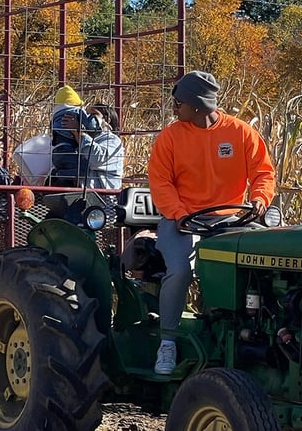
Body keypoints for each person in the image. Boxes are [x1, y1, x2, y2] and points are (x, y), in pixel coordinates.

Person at [147, 71, 276, 375]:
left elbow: (263, 173)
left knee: (263, 267)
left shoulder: (241, 133)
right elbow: (161, 182)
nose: (175, 108)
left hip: (232, 219)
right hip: (183, 220)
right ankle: (168, 342)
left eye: (179, 102)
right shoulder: (171, 137)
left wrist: (260, 198)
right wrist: (178, 214)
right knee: (179, 271)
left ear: (197, 104)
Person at [60, 103, 124, 189]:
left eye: (93, 114)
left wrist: (79, 132)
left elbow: (96, 159)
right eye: (87, 114)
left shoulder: (113, 141)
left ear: (106, 119)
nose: (88, 117)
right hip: (81, 195)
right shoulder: (82, 138)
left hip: (103, 197)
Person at [49, 85, 101, 187]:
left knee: (64, 168)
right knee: (84, 169)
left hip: (56, 151)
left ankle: (58, 175)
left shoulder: (55, 115)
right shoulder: (76, 112)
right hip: (69, 150)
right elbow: (91, 126)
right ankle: (59, 175)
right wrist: (97, 120)